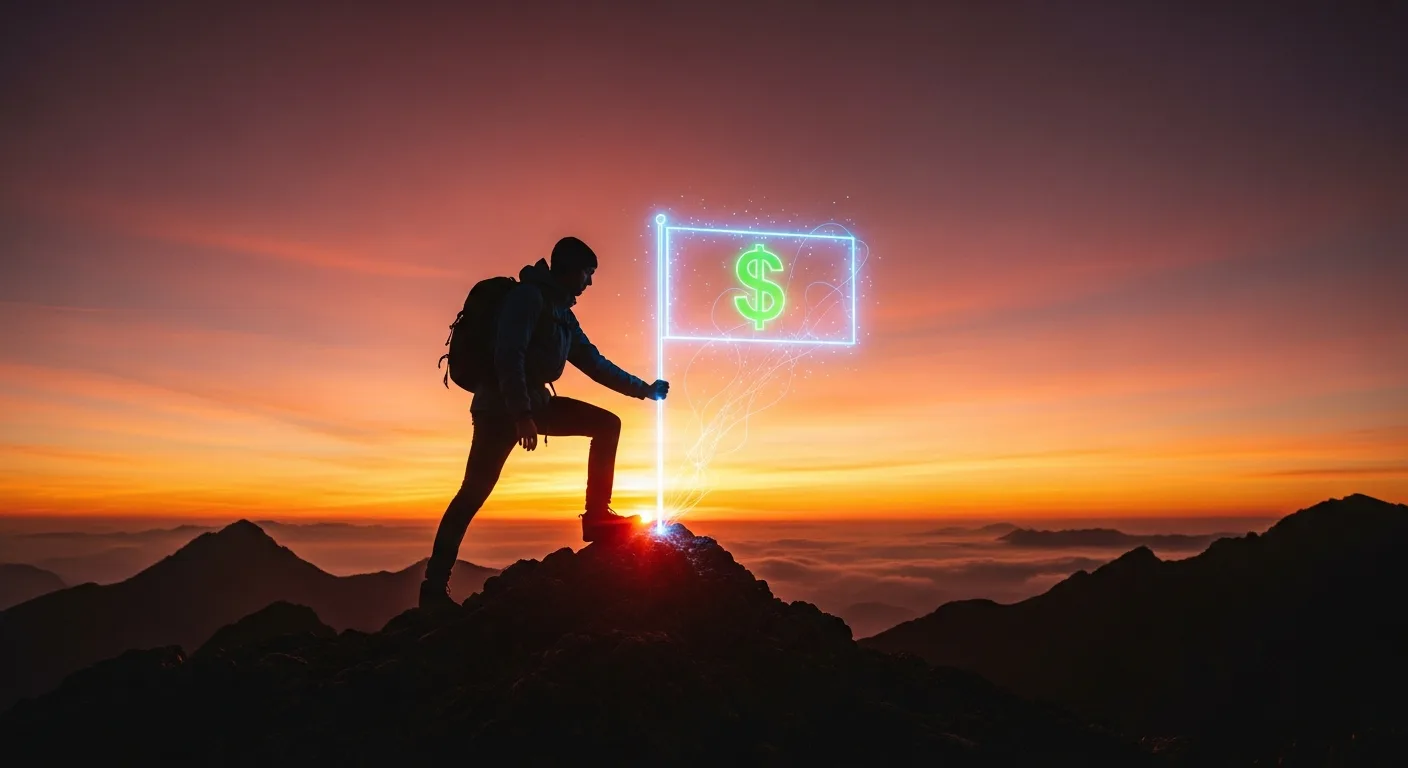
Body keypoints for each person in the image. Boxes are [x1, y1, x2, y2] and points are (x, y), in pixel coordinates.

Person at [420, 236, 669, 610]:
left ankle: (597, 518)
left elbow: (595, 364)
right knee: (472, 494)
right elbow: (509, 354)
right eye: (588, 273)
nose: (589, 282)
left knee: (606, 424)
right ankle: (433, 590)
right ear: (569, 269)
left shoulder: (563, 315)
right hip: (499, 408)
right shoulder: (528, 298)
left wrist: (645, 390)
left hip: (535, 403)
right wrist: (521, 415)